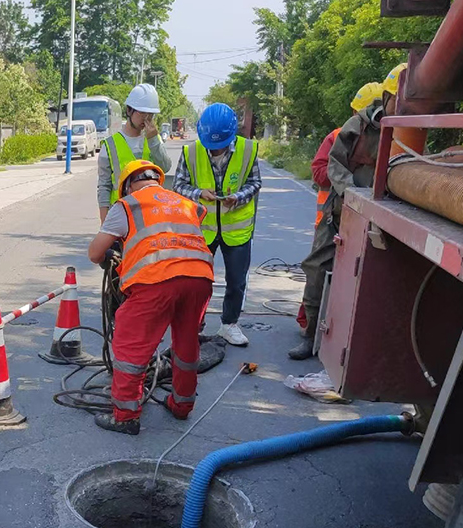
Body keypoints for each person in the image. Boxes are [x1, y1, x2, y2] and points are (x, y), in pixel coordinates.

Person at [88, 160, 214, 435]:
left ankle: (125, 416)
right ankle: (182, 405)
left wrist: (113, 255)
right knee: (186, 341)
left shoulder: (128, 205)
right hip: (200, 277)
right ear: (156, 179)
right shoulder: (184, 203)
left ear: (128, 186)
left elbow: (95, 254)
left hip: (156, 281)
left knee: (130, 345)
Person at [289, 67, 404, 360]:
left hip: (382, 214)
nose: (402, 107)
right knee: (317, 266)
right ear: (387, 97)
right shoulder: (357, 127)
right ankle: (311, 332)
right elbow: (330, 166)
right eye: (398, 100)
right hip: (341, 209)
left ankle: (361, 341)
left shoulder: (409, 131)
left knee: (371, 273)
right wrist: (353, 193)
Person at [293, 81, 383, 343]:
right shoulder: (339, 136)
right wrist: (349, 180)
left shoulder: (396, 136)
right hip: (333, 216)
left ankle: (346, 334)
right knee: (318, 269)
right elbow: (320, 172)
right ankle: (309, 328)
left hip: (367, 218)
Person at [173, 103, 261, 347]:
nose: (215, 150)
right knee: (197, 281)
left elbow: (255, 183)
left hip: (237, 230)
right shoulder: (192, 152)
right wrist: (199, 192)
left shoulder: (247, 150)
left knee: (236, 281)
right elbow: (178, 185)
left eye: (219, 145)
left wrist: (238, 197)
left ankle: (229, 324)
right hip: (202, 230)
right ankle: (194, 325)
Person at [97, 83, 172, 223]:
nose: (146, 118)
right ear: (129, 110)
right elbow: (104, 186)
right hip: (121, 214)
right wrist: (105, 221)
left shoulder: (153, 140)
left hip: (151, 213)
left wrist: (154, 141)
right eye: (142, 112)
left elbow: (166, 166)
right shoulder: (110, 145)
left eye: (150, 114)